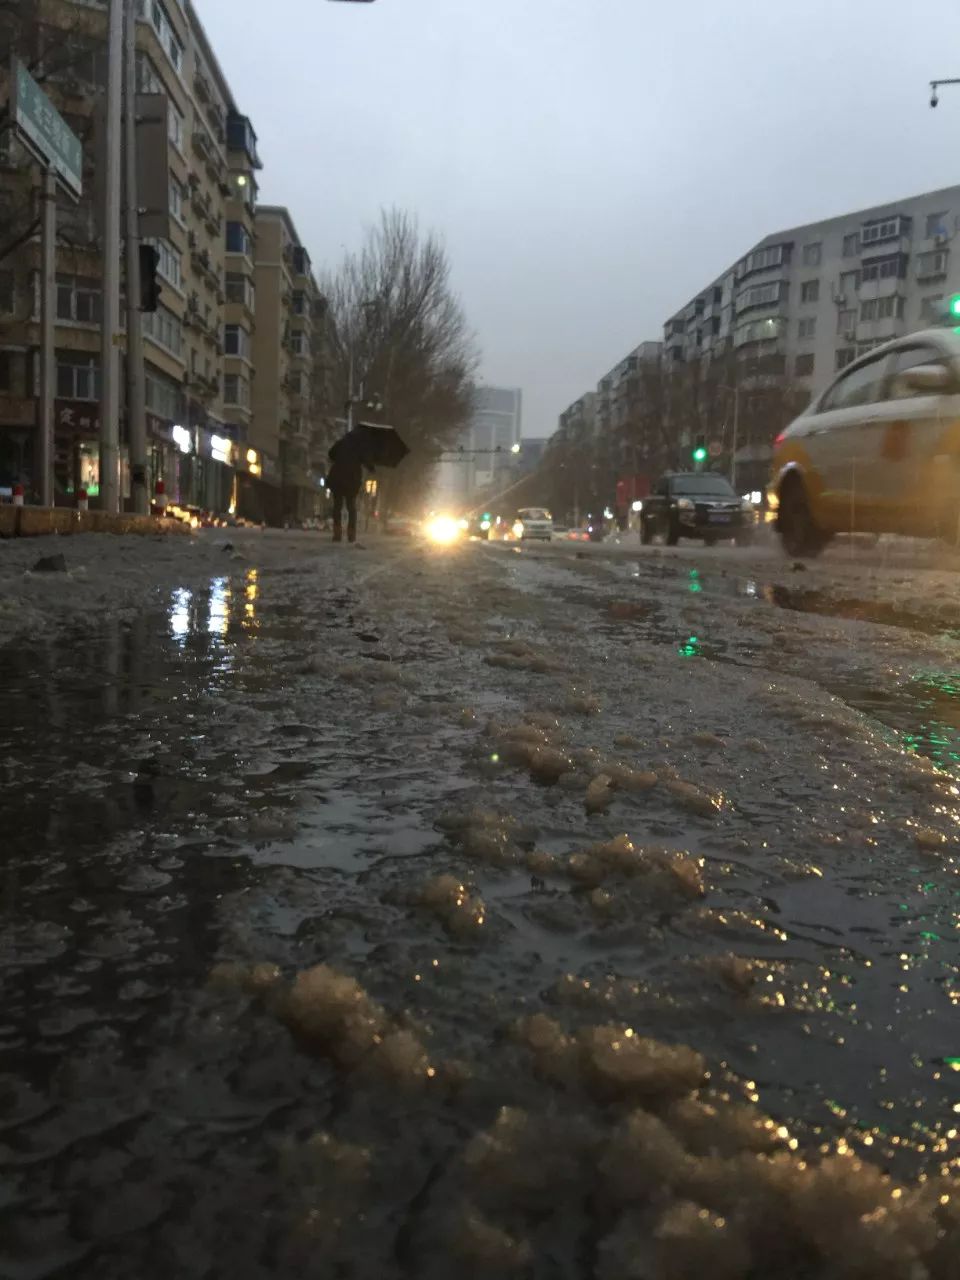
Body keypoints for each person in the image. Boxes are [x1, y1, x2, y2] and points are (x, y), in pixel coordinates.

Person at [327, 427, 372, 544]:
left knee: (337, 506)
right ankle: (351, 534)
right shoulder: (359, 448)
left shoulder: (340, 444)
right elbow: (367, 463)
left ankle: (337, 534)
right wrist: (371, 467)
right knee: (351, 507)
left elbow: (330, 454)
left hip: (337, 479)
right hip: (352, 480)